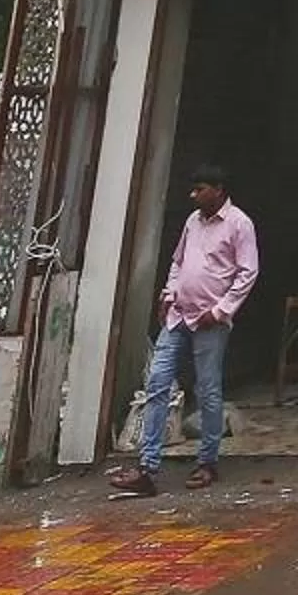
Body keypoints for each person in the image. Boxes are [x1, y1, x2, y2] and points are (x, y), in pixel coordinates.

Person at [109, 163, 257, 496]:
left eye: (200, 189)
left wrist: (220, 311)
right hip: (178, 316)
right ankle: (147, 467)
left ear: (219, 190)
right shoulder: (193, 222)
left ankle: (207, 462)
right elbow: (178, 263)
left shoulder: (239, 224)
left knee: (208, 390)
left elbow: (248, 273)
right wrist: (169, 293)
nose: (193, 196)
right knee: (158, 383)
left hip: (210, 321)